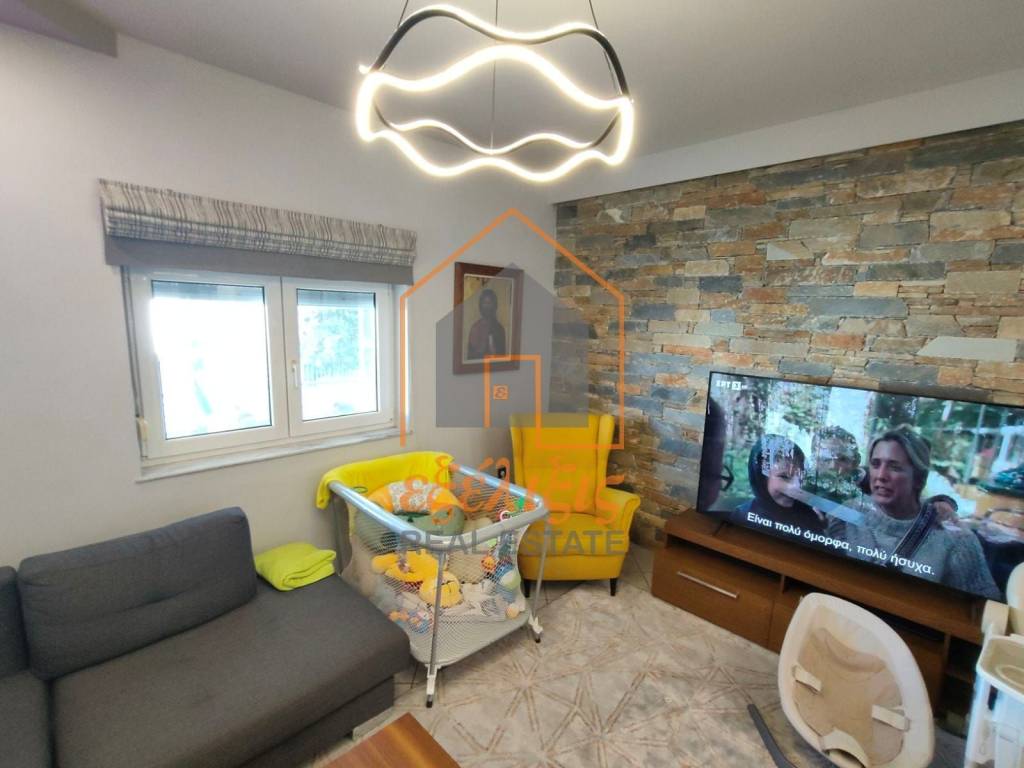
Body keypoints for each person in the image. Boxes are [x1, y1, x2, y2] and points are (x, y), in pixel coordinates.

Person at [835, 425, 1000, 599]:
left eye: (895, 467)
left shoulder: (957, 540)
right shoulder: (847, 512)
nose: (881, 475)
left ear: (919, 479)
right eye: (875, 464)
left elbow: (985, 606)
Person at [732, 435, 825, 535]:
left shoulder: (809, 517)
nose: (797, 486)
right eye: (784, 476)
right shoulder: (743, 515)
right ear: (761, 478)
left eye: (801, 477)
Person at [466, 288, 506, 361]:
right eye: (484, 303)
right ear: (480, 306)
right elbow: (471, 357)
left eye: (490, 303)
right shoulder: (476, 328)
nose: (487, 306)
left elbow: (502, 356)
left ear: (494, 305)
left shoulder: (500, 329)